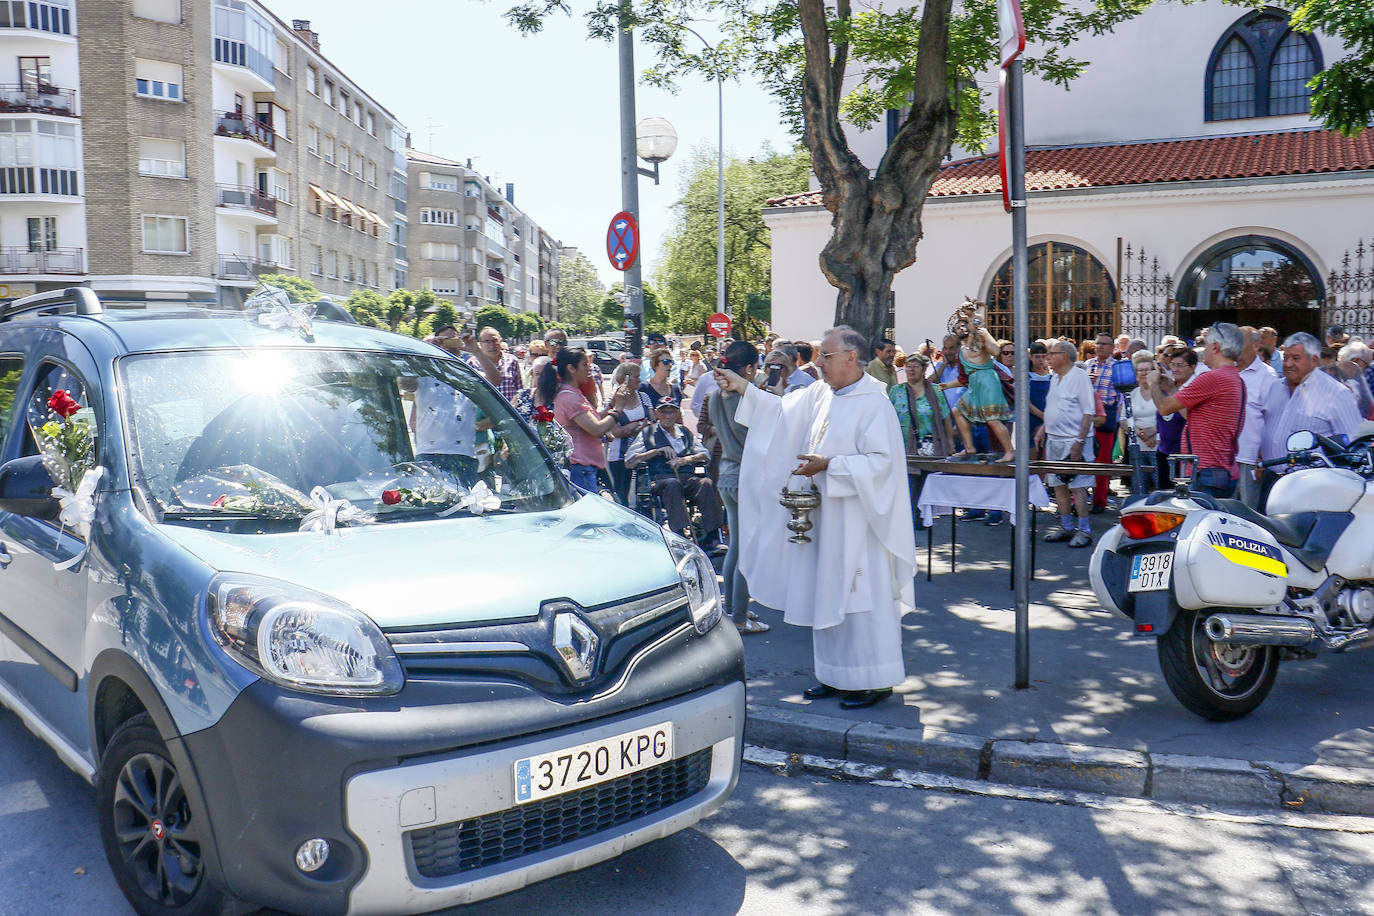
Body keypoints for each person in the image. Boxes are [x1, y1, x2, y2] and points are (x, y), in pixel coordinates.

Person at [715, 325, 912, 710]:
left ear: (851, 358)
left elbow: (883, 466)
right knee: (829, 594)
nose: (818, 363)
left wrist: (830, 466)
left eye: (826, 356)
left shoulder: (875, 404)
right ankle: (835, 675)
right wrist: (743, 388)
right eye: (820, 355)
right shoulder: (821, 394)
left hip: (859, 522)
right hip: (826, 517)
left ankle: (872, 680)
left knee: (859, 599)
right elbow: (780, 415)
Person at [709, 340, 768, 634]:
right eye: (755, 367)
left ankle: (732, 609)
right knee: (746, 551)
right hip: (748, 476)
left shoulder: (713, 396)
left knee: (735, 548)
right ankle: (740, 618)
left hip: (727, 473)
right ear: (747, 368)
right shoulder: (747, 398)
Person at [1149, 323, 1246, 499]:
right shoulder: (1236, 379)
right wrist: (1172, 389)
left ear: (1216, 347)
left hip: (1205, 471)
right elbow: (1190, 416)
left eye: (1206, 345)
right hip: (1223, 469)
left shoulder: (1212, 378)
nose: (1203, 350)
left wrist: (1153, 383)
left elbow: (1164, 408)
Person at [624, 397, 726, 554]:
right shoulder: (648, 433)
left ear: (677, 413)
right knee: (672, 484)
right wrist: (655, 452)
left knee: (705, 483)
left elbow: (705, 454)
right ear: (657, 414)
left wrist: (685, 459)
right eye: (663, 412)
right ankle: (680, 536)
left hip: (686, 476)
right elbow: (629, 461)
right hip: (660, 479)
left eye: (671, 411)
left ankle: (712, 537)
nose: (667, 416)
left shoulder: (684, 432)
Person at [1262, 332, 1363, 473]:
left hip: (1312, 482)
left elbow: (1354, 447)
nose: (1288, 364)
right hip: (1271, 477)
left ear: (1314, 360)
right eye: (1285, 358)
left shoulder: (1336, 393)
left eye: (1296, 358)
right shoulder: (1275, 387)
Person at [1035, 340, 1097, 548]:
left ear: (1064, 355)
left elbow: (1089, 412)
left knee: (1078, 487)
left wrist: (1079, 442)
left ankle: (1084, 530)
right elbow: (1053, 408)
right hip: (1054, 440)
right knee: (1058, 485)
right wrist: (1043, 428)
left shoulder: (1079, 377)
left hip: (1074, 441)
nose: (1047, 358)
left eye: (1051, 354)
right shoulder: (1055, 378)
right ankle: (1066, 526)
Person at [539, 347, 624, 492]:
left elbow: (595, 420)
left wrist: (612, 403)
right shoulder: (569, 397)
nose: (589, 368)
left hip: (586, 468)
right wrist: (619, 408)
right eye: (584, 365)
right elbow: (597, 429)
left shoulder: (574, 393)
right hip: (580, 468)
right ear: (571, 368)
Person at [890, 351, 954, 517]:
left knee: (926, 481)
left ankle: (924, 515)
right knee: (909, 482)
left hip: (931, 446)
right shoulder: (897, 391)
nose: (911, 370)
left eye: (915, 367)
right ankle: (910, 517)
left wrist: (950, 443)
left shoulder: (935, 391)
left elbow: (945, 416)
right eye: (908, 367)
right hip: (904, 446)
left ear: (924, 369)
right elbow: (887, 417)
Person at [948, 303, 1014, 462]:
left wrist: (983, 337)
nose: (962, 328)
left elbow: (996, 351)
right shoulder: (963, 351)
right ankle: (969, 448)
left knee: (992, 419)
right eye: (958, 326)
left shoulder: (981, 335)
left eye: (964, 324)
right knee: (958, 411)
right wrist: (947, 385)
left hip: (987, 381)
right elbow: (963, 378)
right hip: (974, 384)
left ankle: (1010, 451)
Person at [1236, 327, 1279, 508]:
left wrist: (1262, 457)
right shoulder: (1227, 371)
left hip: (1250, 458)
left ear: (1256, 346)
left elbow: (1273, 419)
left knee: (1248, 512)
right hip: (1225, 458)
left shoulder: (1267, 376)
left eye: (1240, 341)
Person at [605, 362, 654, 505]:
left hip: (643, 453)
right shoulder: (613, 400)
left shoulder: (644, 397)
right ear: (625, 378)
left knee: (643, 495)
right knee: (622, 494)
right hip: (620, 455)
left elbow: (652, 420)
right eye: (636, 377)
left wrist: (635, 427)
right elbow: (616, 432)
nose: (640, 380)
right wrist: (638, 425)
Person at [1084, 333, 1121, 512]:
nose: (1100, 347)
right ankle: (1081, 500)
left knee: (1102, 461)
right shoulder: (1087, 365)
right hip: (1087, 416)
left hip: (1106, 415)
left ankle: (1100, 501)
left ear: (1112, 348)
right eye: (1098, 343)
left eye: (1105, 344)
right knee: (1083, 460)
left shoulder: (1117, 367)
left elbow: (1121, 395)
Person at [1154, 347, 1195, 488]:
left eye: (1180, 365)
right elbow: (1161, 412)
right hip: (1164, 451)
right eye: (1173, 365)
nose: (1175, 369)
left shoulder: (1194, 387)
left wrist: (1173, 390)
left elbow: (1189, 416)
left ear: (1192, 368)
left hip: (1184, 455)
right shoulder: (1168, 384)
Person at [461, 325, 523, 402]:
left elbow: (519, 391)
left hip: (509, 411)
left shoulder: (512, 360)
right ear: (480, 343)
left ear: (501, 341)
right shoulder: (472, 363)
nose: (492, 345)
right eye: (487, 341)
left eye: (495, 340)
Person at [544, 329, 603, 407]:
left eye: (562, 343)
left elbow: (593, 402)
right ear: (546, 344)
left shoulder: (577, 368)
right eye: (553, 342)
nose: (558, 346)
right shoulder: (540, 366)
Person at [1128, 350, 1158, 492]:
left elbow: (1169, 417)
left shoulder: (1161, 392)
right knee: (1139, 488)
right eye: (1140, 370)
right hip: (1137, 448)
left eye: (1147, 370)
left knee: (1159, 488)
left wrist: (1154, 432)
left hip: (1158, 446)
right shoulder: (1131, 394)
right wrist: (1139, 433)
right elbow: (1123, 419)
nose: (1143, 373)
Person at [1027, 341, 1053, 455]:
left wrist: (1047, 420)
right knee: (1032, 454)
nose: (1040, 360)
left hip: (1049, 421)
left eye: (1043, 356)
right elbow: (1026, 404)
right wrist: (1044, 417)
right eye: (1037, 356)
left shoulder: (1051, 376)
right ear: (1031, 357)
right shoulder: (1027, 376)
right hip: (1031, 420)